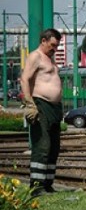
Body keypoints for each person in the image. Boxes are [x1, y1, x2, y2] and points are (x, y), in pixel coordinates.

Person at [20, 28, 63, 196]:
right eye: (52, 45)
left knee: (54, 147)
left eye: (57, 46)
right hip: (41, 105)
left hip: (54, 108)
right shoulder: (35, 56)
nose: (54, 49)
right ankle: (36, 187)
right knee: (42, 146)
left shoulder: (50, 60)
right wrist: (29, 104)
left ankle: (47, 184)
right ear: (44, 41)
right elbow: (25, 79)